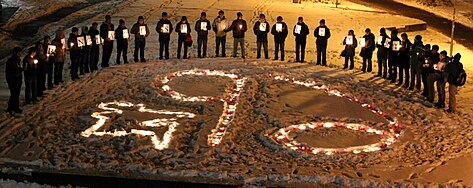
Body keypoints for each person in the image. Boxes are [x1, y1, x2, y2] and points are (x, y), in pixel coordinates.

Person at [5, 47, 23, 116]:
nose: (20, 54)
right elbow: (14, 70)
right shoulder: (11, 61)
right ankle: (10, 108)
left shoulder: (17, 60)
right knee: (13, 94)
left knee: (16, 94)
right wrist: (21, 69)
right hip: (13, 80)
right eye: (19, 53)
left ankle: (16, 107)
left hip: (17, 79)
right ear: (15, 53)